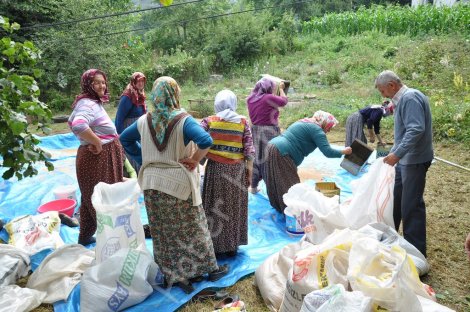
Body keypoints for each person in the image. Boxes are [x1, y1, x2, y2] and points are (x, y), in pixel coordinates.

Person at [119, 76, 228, 294]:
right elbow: (206, 140)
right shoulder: (183, 120)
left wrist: (144, 158)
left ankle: (174, 275)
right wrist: (196, 159)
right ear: (174, 94)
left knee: (163, 231)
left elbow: (124, 138)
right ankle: (207, 269)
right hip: (178, 184)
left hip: (151, 182)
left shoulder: (144, 120)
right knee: (193, 227)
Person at [378, 70, 434, 258]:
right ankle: (391, 240)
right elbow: (405, 130)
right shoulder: (403, 100)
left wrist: (398, 154)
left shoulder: (410, 98)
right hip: (405, 159)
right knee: (396, 198)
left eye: (383, 91)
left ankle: (416, 254)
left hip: (414, 159)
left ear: (392, 85)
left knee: (411, 205)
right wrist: (395, 153)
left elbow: (416, 129)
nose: (383, 96)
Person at [68, 69, 124, 246]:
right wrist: (97, 142)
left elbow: (70, 120)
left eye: (103, 82)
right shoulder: (88, 104)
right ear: (88, 85)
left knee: (89, 199)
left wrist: (89, 139)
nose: (102, 85)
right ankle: (111, 242)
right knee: (103, 200)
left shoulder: (90, 101)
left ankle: (85, 236)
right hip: (98, 159)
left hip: (98, 158)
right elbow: (77, 124)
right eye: (97, 83)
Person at [200, 89, 255, 258]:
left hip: (215, 170)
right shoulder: (243, 122)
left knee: (214, 207)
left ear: (217, 104)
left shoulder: (208, 121)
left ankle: (214, 245)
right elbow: (249, 152)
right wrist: (249, 174)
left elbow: (198, 142)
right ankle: (232, 245)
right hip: (236, 170)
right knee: (233, 207)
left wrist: (198, 162)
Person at [265, 111, 352, 213]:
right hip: (282, 152)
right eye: (329, 127)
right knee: (291, 185)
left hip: (272, 147)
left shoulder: (303, 122)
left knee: (275, 180)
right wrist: (344, 151)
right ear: (324, 122)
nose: (328, 131)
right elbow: (328, 152)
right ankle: (293, 211)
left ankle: (280, 207)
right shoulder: (317, 130)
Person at [247, 77, 288, 194]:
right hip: (269, 131)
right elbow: (284, 101)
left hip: (254, 130)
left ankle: (253, 187)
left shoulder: (250, 98)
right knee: (271, 158)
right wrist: (281, 89)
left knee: (256, 158)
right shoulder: (268, 98)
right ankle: (274, 188)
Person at [115, 72, 147, 173]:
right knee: (133, 151)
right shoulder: (128, 96)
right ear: (133, 82)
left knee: (141, 150)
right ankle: (136, 174)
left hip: (139, 126)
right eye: (138, 81)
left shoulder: (140, 93)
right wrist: (120, 136)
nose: (141, 83)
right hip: (130, 127)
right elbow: (119, 118)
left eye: (142, 81)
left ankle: (143, 171)